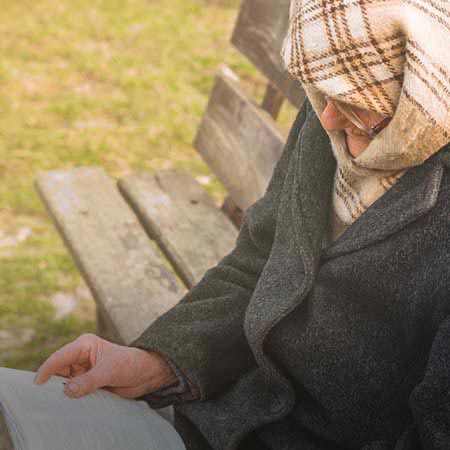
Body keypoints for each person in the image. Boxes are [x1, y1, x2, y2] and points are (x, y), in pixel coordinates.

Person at [34, 0, 450, 449]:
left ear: (422, 94)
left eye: (351, 100)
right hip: (226, 423)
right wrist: (158, 361)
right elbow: (258, 262)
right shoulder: (332, 114)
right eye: (319, 91)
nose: (325, 117)